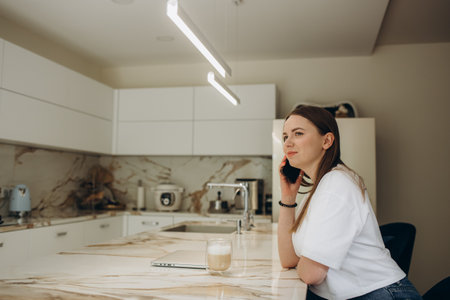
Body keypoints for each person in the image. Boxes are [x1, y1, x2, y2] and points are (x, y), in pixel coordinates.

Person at [277, 105, 422, 300]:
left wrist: (306, 261)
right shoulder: (317, 191)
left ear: (327, 140)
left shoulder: (337, 185)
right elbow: (288, 259)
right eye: (285, 136)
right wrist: (288, 199)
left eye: (298, 133)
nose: (288, 143)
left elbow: (311, 274)